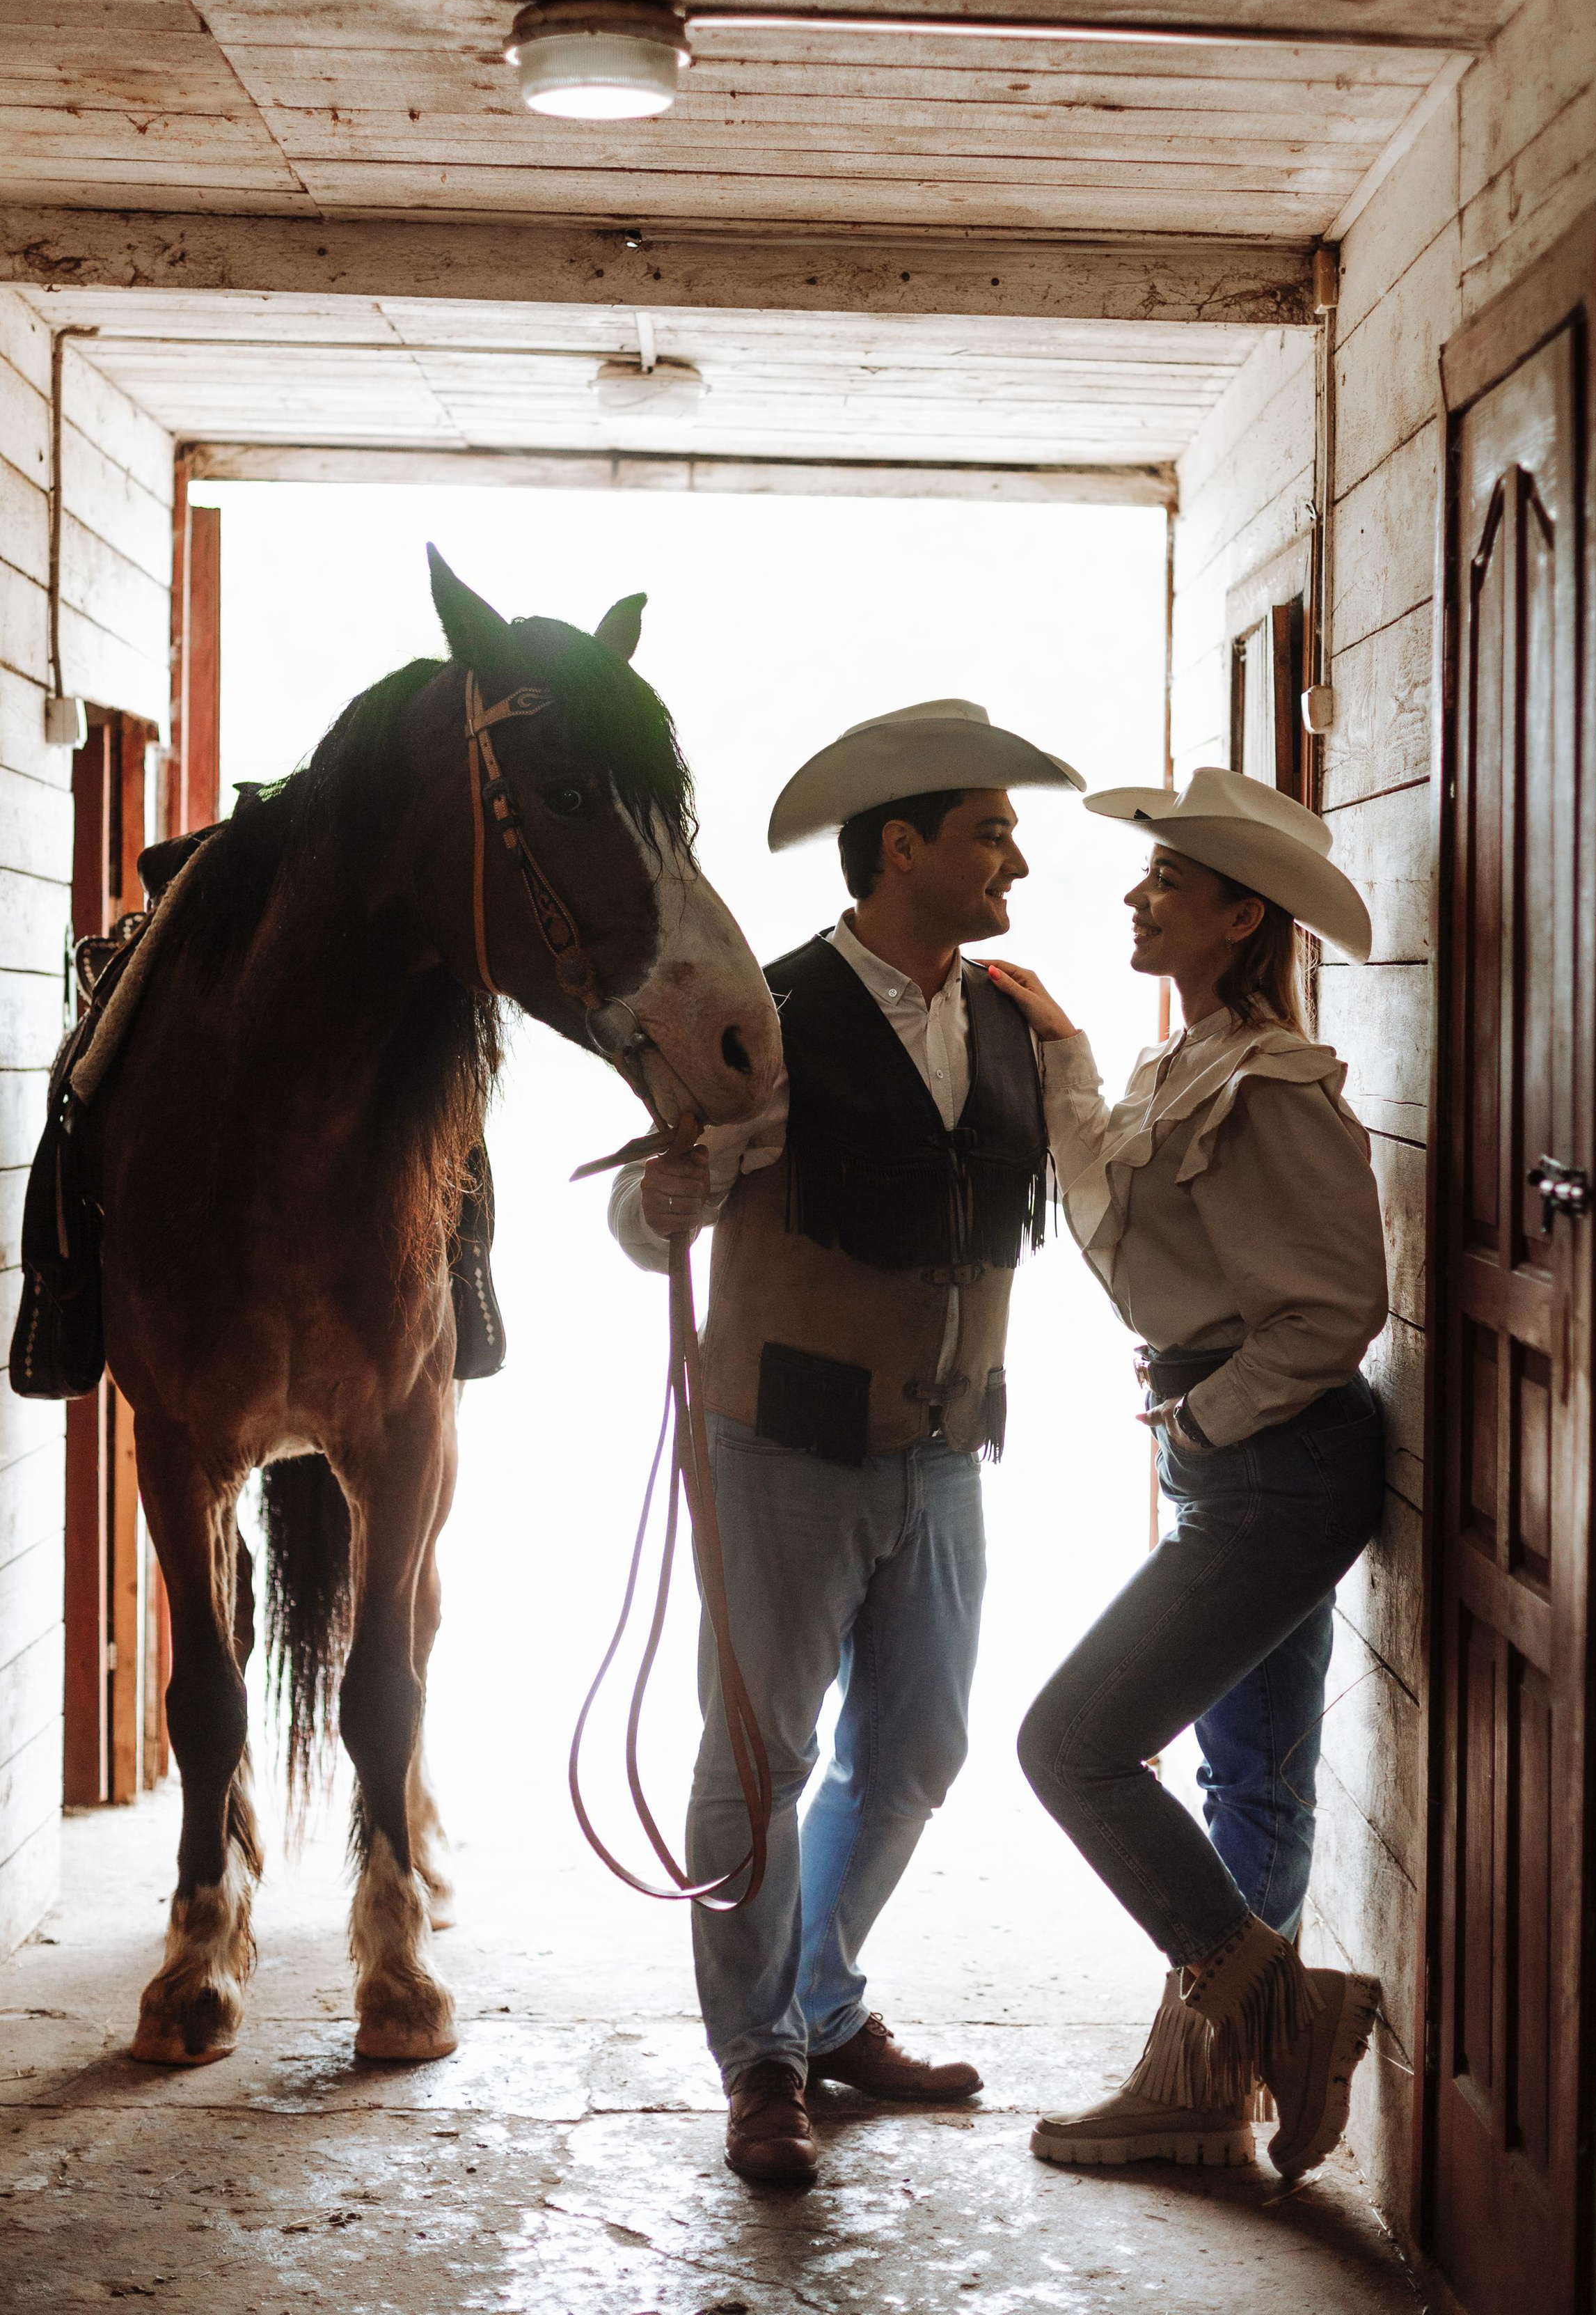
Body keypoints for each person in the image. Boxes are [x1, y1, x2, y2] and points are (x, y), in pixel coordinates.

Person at [609, 698, 1083, 2185]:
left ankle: (816, 2002)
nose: (1014, 858)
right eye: (988, 831)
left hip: (945, 1455)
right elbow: (644, 1211)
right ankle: (759, 2063)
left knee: (919, 1750)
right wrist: (661, 1205)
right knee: (757, 1764)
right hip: (783, 1451)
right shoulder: (775, 1014)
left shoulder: (1013, 1019)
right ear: (901, 846)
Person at [986, 766, 1389, 2184]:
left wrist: (1206, 1423)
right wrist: (1060, 1053)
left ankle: (1287, 2020)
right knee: (1252, 1789)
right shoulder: (1188, 1061)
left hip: (1274, 1469)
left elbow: (1338, 1308)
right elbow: (1104, 1203)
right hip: (1242, 1464)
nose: (1133, 896)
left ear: (1238, 914)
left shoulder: (1274, 1081)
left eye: (1165, 882)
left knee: (1071, 1745)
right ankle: (1201, 2091)